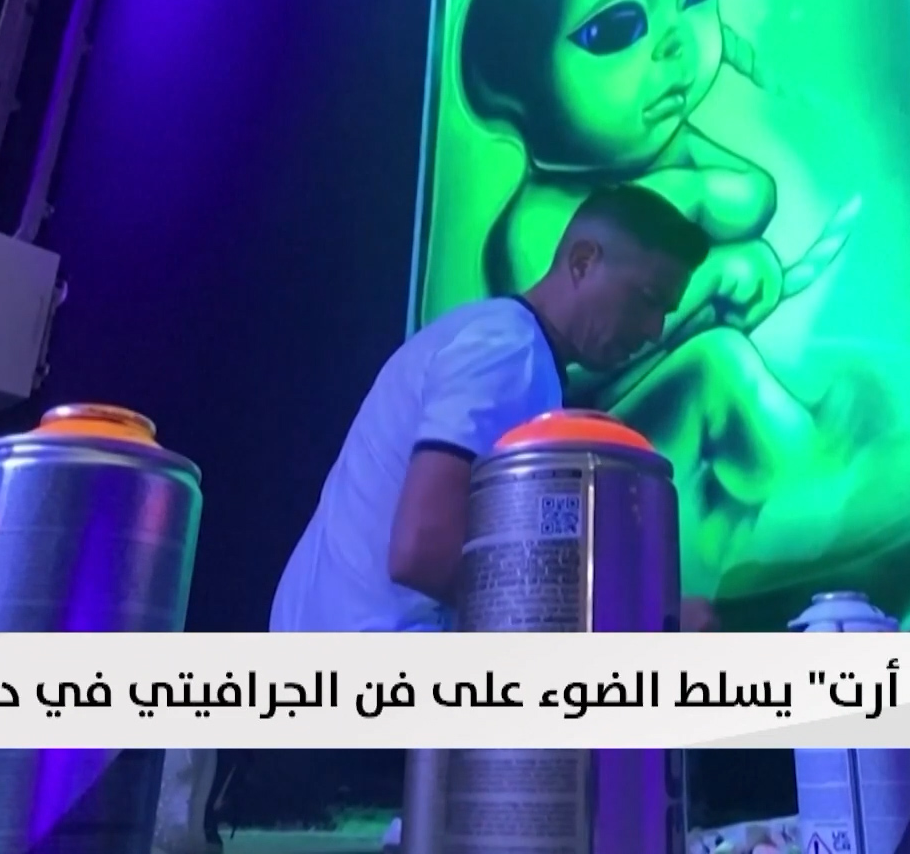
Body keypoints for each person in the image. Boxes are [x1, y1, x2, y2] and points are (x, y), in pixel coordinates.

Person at [271, 181, 721, 636]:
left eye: (665, 312)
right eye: (647, 299)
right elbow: (422, 550)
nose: (654, 330)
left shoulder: (501, 341)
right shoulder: (509, 351)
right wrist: (633, 619)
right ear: (583, 262)